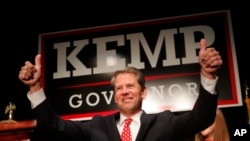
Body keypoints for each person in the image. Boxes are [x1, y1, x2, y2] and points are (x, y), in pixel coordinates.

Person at [18, 38, 223, 141]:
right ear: (114, 95)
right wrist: (35, 87)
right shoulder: (97, 126)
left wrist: (207, 75)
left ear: (143, 92)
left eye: (130, 86)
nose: (124, 91)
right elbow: (53, 126)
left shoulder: (164, 122)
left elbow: (202, 118)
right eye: (119, 88)